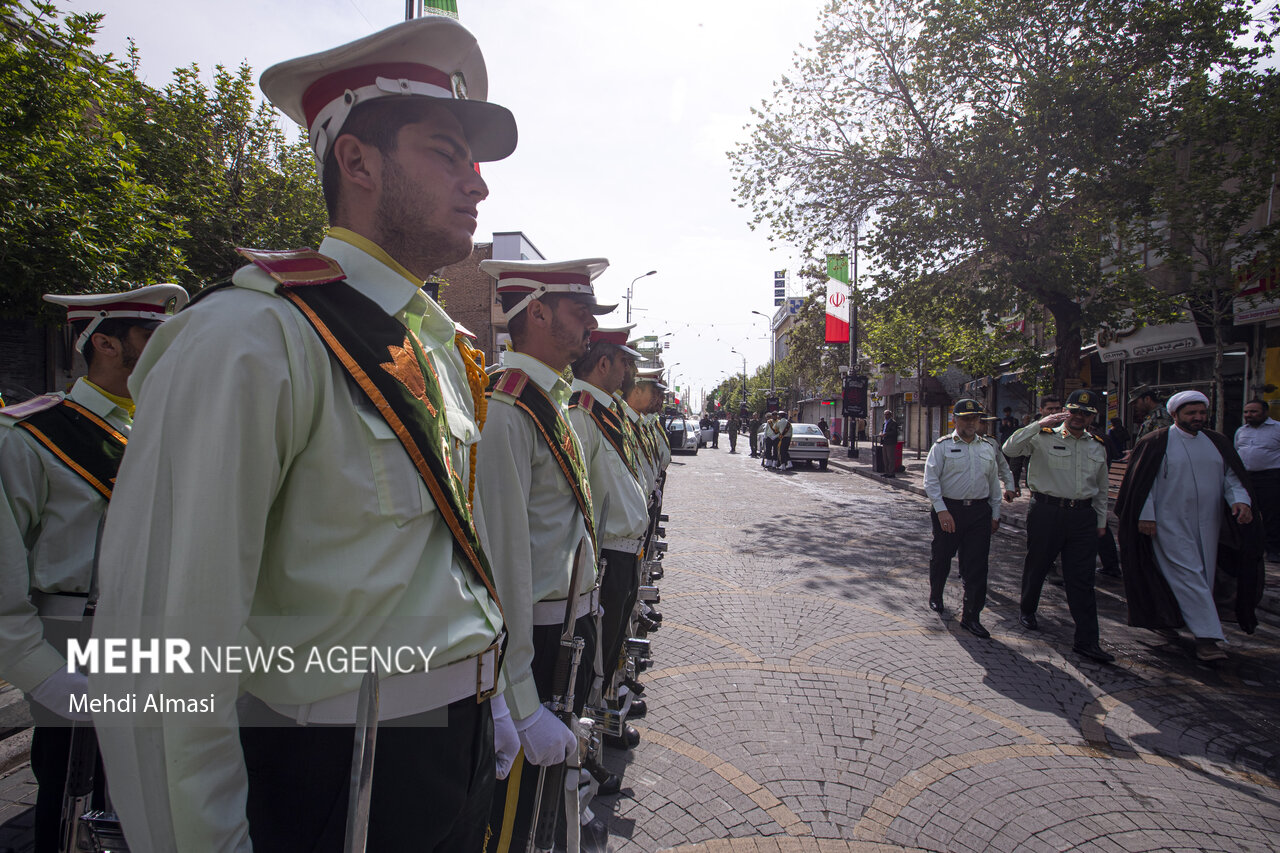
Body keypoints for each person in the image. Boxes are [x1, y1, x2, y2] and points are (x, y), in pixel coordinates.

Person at [90, 18, 518, 851]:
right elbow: (157, 647)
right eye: (446, 152)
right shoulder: (249, 337)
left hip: (449, 757)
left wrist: (494, 692)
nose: (478, 185)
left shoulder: (432, 346)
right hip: (335, 774)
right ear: (356, 161)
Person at [0, 285, 186, 853]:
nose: (167, 352)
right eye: (151, 338)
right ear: (104, 342)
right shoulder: (28, 434)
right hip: (76, 631)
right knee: (71, 794)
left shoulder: (160, 426)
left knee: (147, 790)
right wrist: (40, 672)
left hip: (158, 630)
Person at [478, 258, 613, 850]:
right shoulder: (508, 409)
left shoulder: (547, 399)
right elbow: (501, 558)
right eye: (580, 313)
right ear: (535, 311)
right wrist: (520, 700)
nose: (589, 329)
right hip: (531, 636)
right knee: (517, 813)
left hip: (565, 622)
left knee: (550, 794)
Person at [1118, 391, 1262, 661]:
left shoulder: (1216, 442)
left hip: (1210, 524)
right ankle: (1208, 638)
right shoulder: (1157, 442)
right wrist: (1145, 515)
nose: (1197, 418)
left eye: (1201, 413)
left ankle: (1166, 618)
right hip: (1168, 524)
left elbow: (1232, 478)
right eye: (1191, 413)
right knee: (1190, 575)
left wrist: (1241, 502)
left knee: (1201, 576)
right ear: (1175, 415)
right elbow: (1142, 485)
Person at [1002, 389, 1114, 663]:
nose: (1078, 417)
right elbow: (1009, 448)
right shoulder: (1042, 437)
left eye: (1085, 414)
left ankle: (1087, 640)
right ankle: (1027, 608)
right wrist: (1039, 423)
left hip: (1083, 517)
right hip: (1046, 511)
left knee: (1082, 578)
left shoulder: (1097, 444)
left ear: (1092, 417)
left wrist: (1101, 521)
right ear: (1065, 411)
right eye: (1074, 411)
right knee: (1038, 564)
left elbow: (1101, 488)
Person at [922, 400, 1004, 638]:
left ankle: (971, 616)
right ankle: (936, 595)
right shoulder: (942, 446)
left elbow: (993, 485)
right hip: (950, 510)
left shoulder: (988, 447)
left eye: (974, 418)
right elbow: (931, 481)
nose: (970, 422)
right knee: (942, 557)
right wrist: (941, 510)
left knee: (977, 565)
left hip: (979, 512)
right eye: (965, 418)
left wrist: (995, 513)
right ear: (955, 420)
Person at [1235, 399, 1280, 563]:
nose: (1249, 415)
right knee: (1246, 512)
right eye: (1246, 412)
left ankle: (1273, 549)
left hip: (1270, 478)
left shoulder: (1277, 429)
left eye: (1253, 411)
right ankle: (1248, 548)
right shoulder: (1241, 431)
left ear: (1265, 412)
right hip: (1246, 478)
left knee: (1271, 515)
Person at [880, 411, 899, 478]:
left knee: (890, 458)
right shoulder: (884, 422)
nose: (886, 416)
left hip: (890, 442)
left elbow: (894, 432)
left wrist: (886, 434)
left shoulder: (893, 423)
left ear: (890, 415)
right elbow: (882, 429)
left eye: (887, 414)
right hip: (884, 442)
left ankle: (891, 473)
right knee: (885, 458)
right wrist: (881, 432)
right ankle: (886, 472)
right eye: (885, 414)